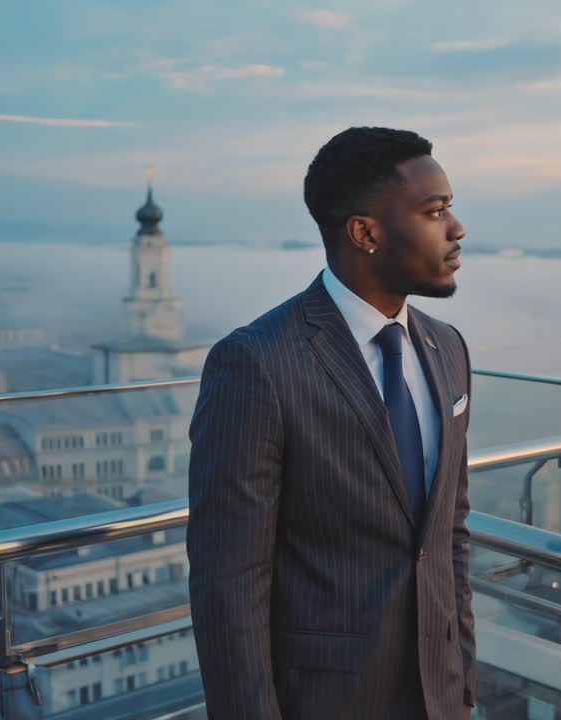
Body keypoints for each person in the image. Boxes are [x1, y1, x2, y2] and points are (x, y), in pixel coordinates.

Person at [188, 126, 475, 719]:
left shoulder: (448, 350)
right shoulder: (257, 362)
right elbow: (229, 583)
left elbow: (451, 534)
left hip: (439, 697)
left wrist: (462, 681)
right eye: (434, 211)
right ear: (364, 232)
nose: (456, 228)